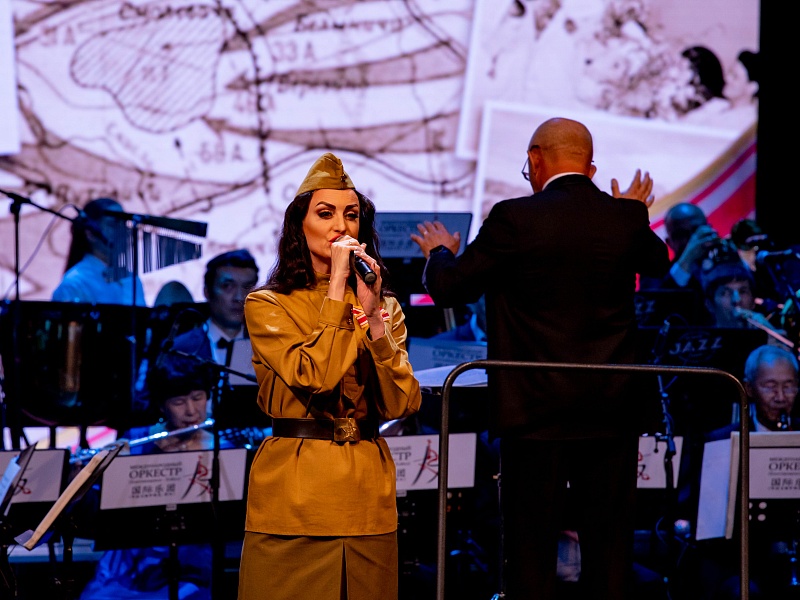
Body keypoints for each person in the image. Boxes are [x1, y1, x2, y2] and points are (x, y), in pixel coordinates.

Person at [410, 117, 670, 599]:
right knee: (610, 549)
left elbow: (448, 288)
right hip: (611, 411)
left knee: (530, 552)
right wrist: (633, 215)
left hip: (535, 413)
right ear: (591, 169)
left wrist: (440, 253)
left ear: (534, 159)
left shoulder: (514, 217)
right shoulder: (623, 217)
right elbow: (659, 263)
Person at [237, 152, 421, 600]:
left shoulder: (383, 305)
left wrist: (374, 319)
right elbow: (314, 376)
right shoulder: (268, 304)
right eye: (326, 213)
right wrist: (338, 288)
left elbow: (402, 403)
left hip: (366, 493)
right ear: (299, 226)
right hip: (296, 492)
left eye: (351, 215)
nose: (341, 226)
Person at [79, 356, 229, 600]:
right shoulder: (136, 441)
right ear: (162, 406)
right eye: (179, 402)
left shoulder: (222, 448)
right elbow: (99, 512)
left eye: (198, 398)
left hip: (191, 567)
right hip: (130, 565)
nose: (191, 411)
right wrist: (99, 473)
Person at [676, 344, 800, 599]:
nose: (780, 397)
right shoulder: (721, 441)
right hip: (735, 561)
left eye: (789, 386)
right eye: (770, 386)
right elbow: (698, 517)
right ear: (749, 388)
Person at [52, 197, 146, 305]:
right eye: (113, 225)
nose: (123, 231)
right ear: (90, 234)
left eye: (123, 224)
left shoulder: (131, 280)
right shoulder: (75, 284)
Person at [640, 202, 719, 296]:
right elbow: (653, 301)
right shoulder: (654, 275)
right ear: (669, 242)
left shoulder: (726, 259)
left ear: (709, 228)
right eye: (681, 234)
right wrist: (688, 258)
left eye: (696, 230)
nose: (692, 239)